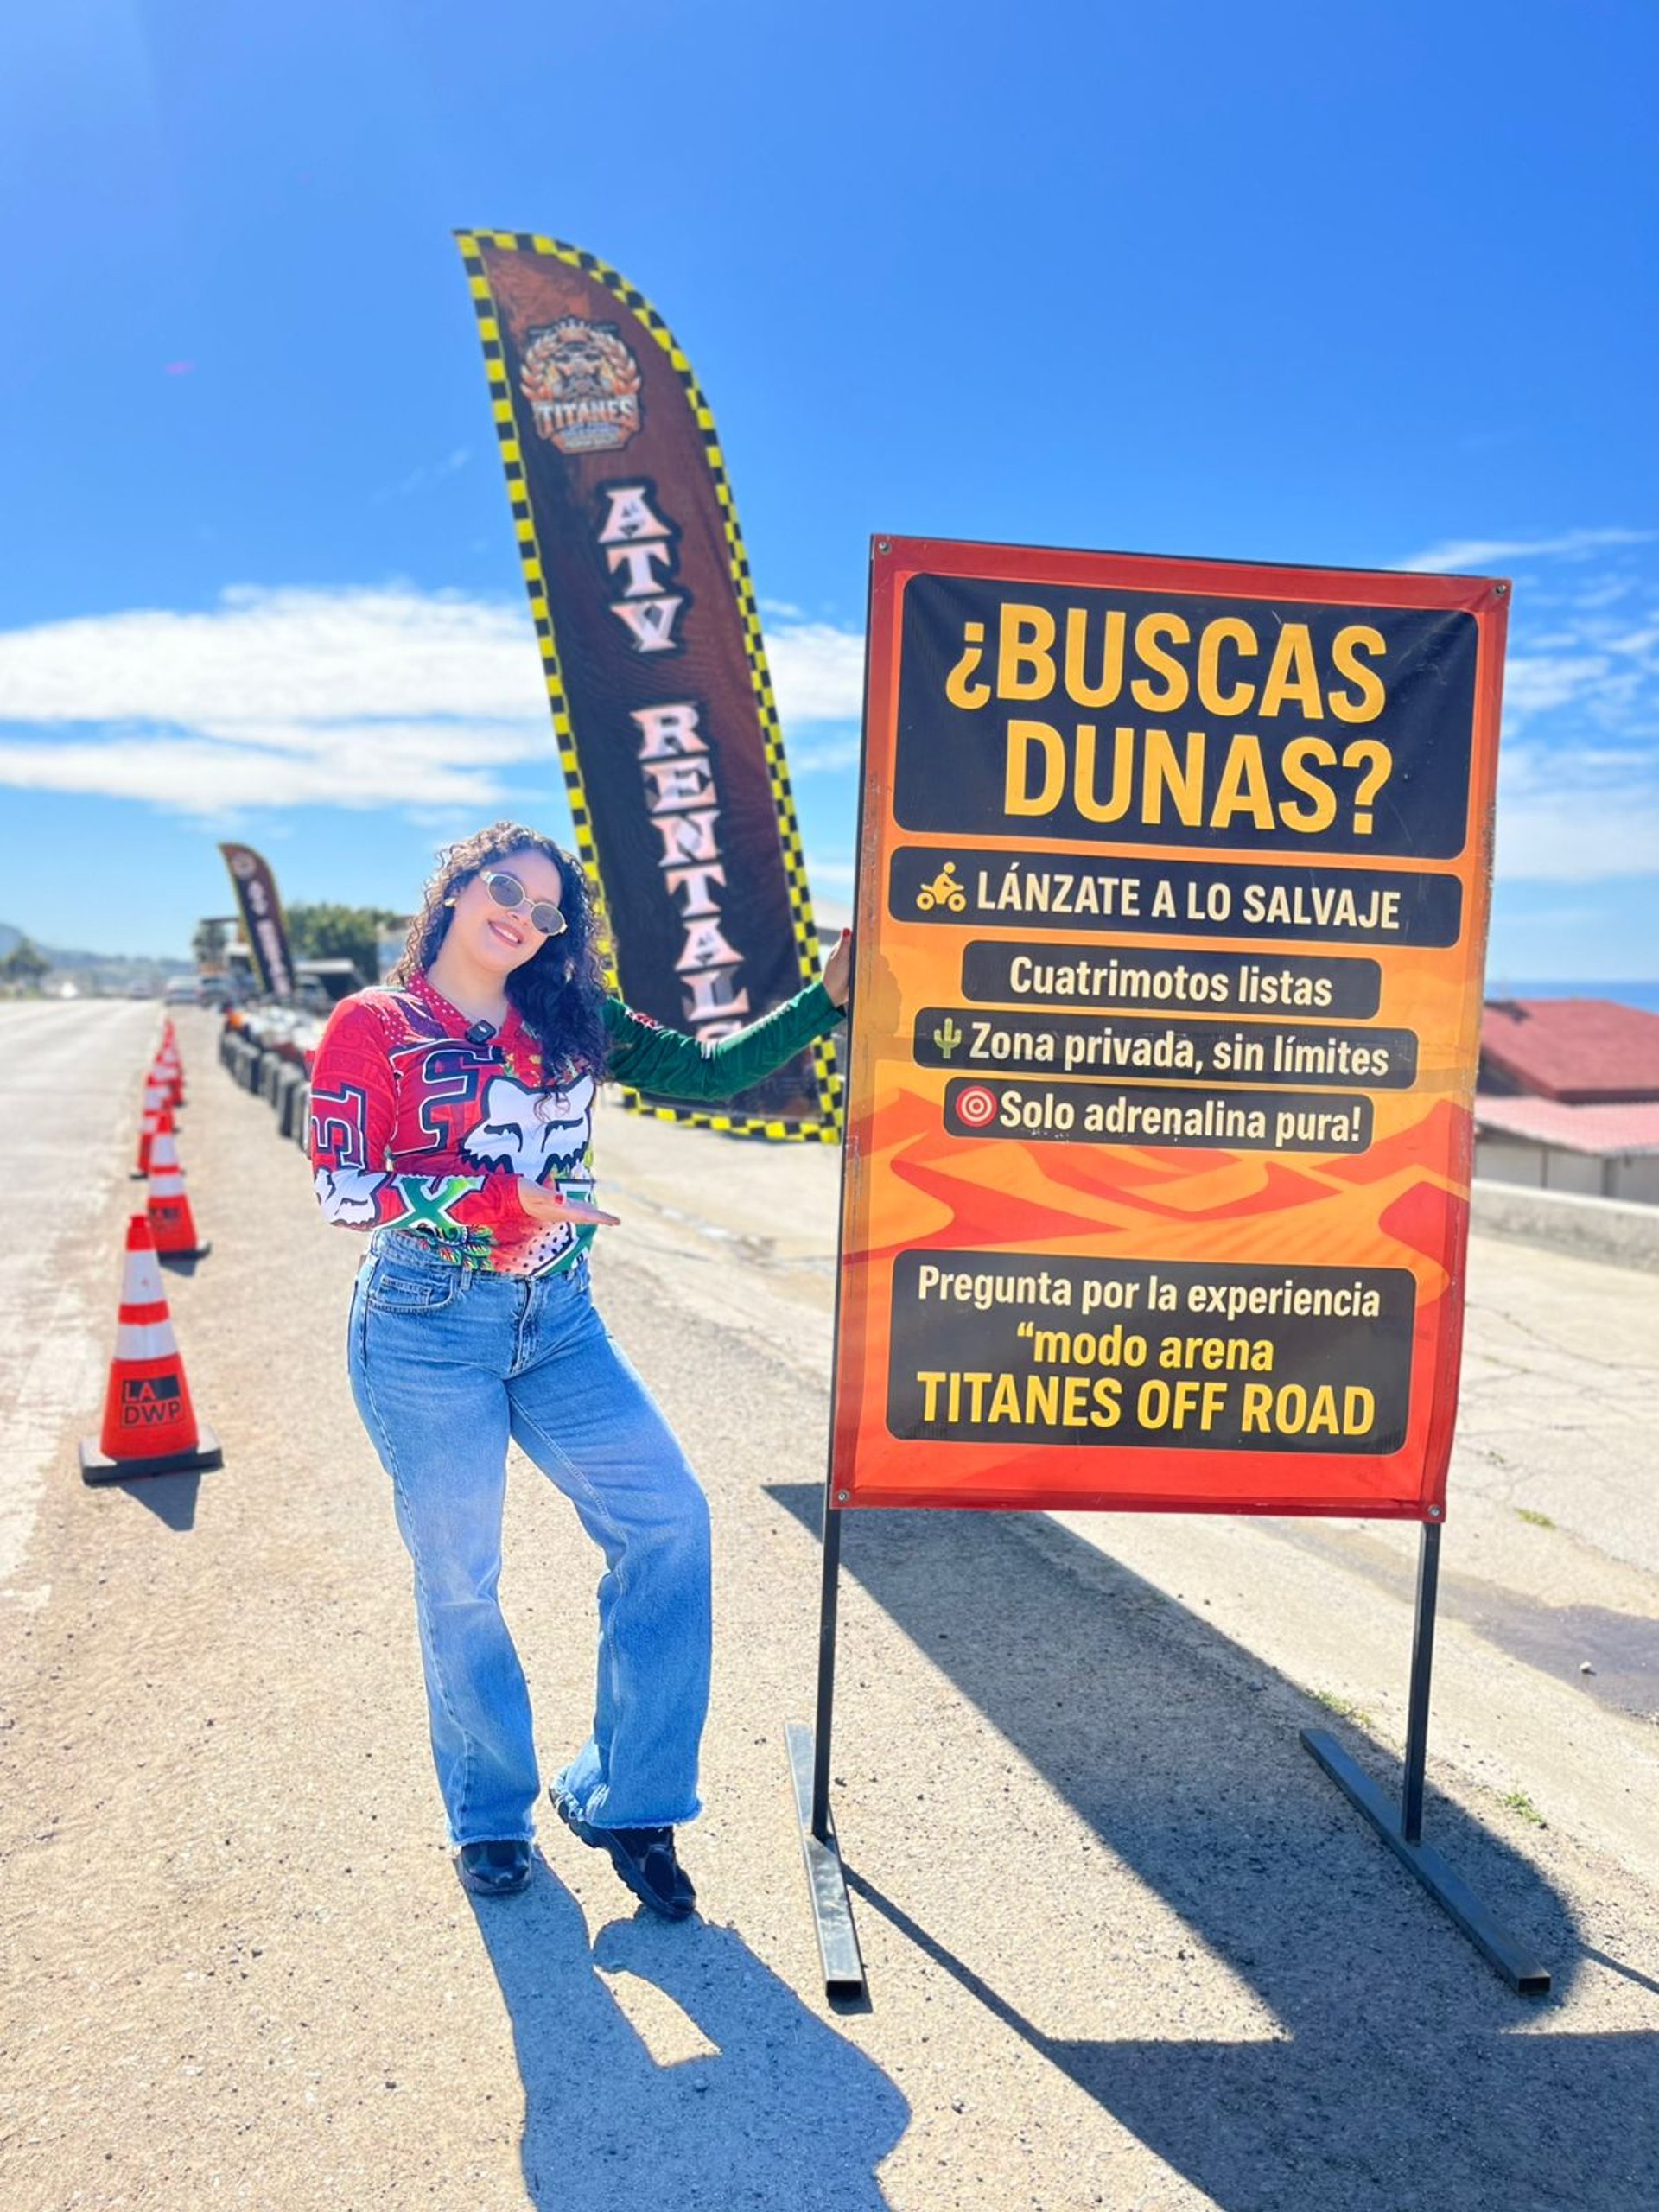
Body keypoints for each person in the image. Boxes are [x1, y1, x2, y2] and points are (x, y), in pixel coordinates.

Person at [306, 822, 850, 1914]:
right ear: (457, 888)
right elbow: (342, 1187)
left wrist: (826, 1000)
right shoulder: (377, 1024)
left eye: (548, 910)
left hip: (559, 1320)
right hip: (426, 1322)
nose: (522, 915)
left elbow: (712, 1070)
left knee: (668, 1521)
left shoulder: (572, 1020)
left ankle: (628, 1798)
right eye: (506, 888)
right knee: (460, 1577)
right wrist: (503, 1202)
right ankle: (491, 1815)